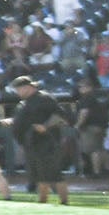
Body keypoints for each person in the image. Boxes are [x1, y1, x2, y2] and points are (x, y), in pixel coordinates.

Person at [10, 74, 74, 205]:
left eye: (19, 89)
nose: (18, 92)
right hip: (31, 143)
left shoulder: (44, 98)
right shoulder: (24, 103)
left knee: (54, 174)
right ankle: (43, 202)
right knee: (39, 176)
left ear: (28, 87)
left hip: (46, 142)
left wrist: (45, 126)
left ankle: (65, 202)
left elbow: (60, 116)